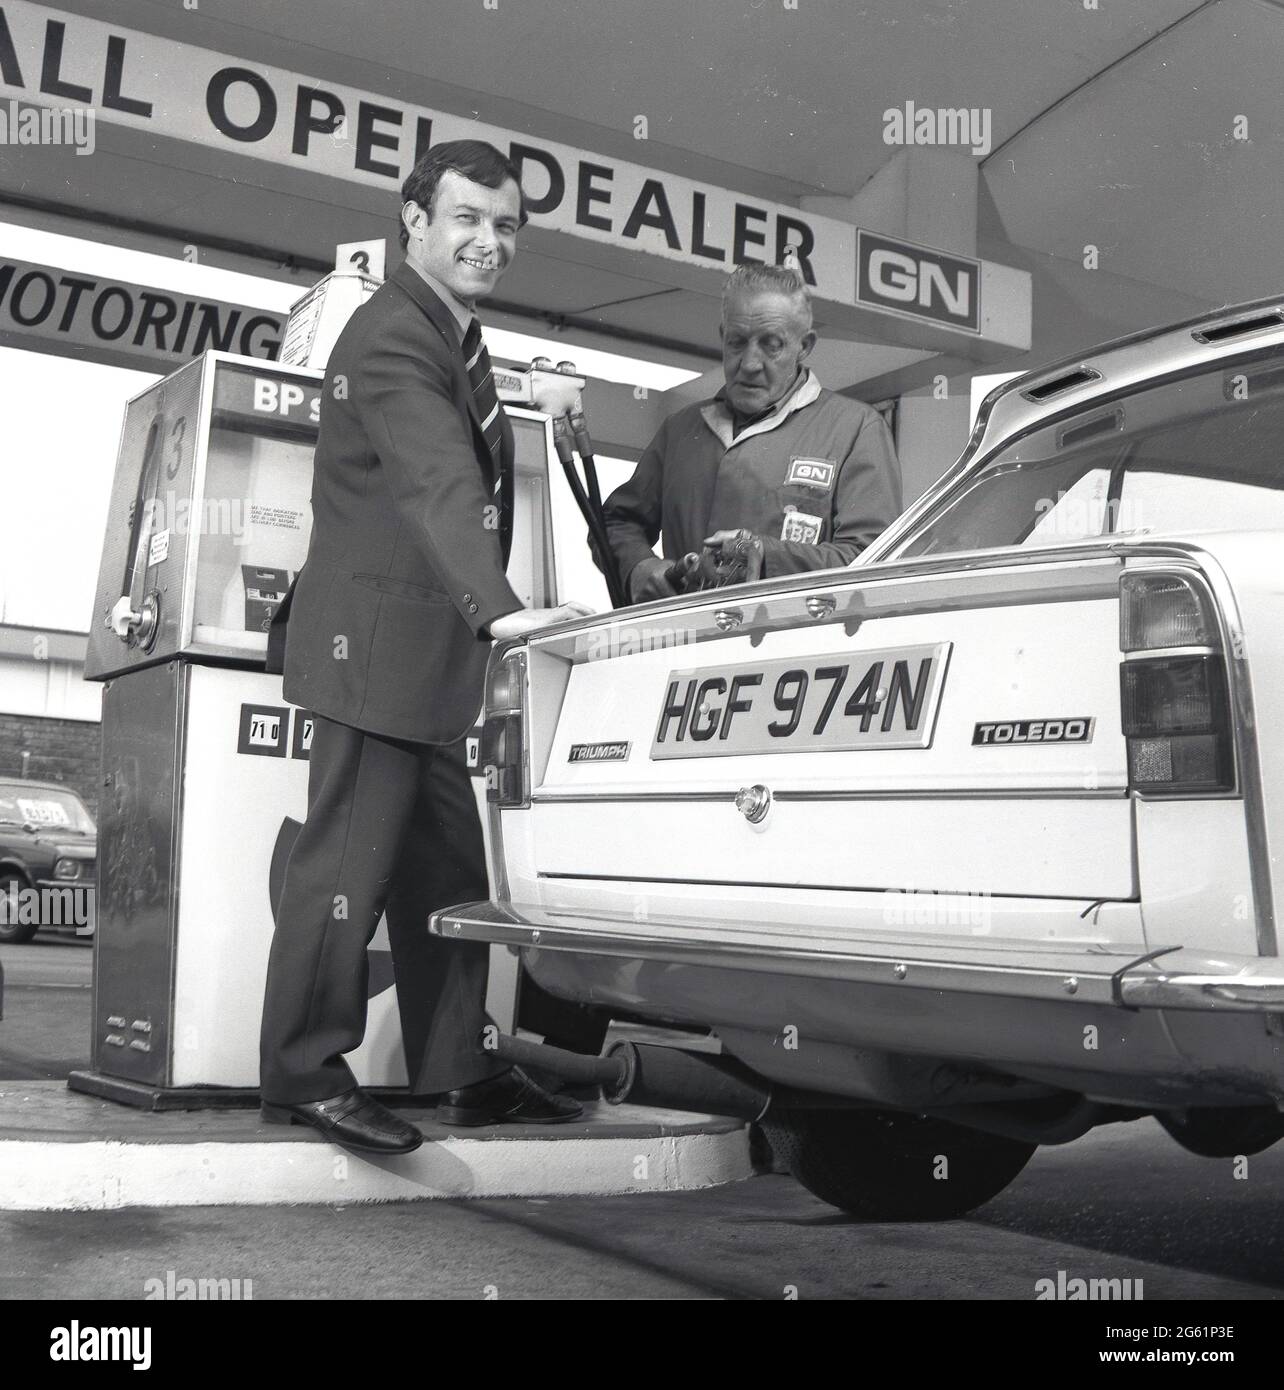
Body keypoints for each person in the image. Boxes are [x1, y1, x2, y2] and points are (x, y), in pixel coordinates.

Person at [260, 140, 592, 1154]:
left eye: (505, 226)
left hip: (422, 660)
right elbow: (440, 482)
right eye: (467, 219)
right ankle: (302, 1071)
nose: (488, 242)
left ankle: (463, 1070)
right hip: (376, 657)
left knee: (448, 871)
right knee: (346, 867)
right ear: (414, 220)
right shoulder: (396, 336)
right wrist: (500, 610)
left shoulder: (455, 336)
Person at [602, 263, 902, 602]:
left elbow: (872, 560)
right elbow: (616, 522)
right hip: (686, 642)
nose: (749, 363)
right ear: (722, 336)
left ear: (804, 346)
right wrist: (639, 566)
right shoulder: (682, 430)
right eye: (737, 342)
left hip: (792, 646)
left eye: (771, 344)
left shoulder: (855, 429)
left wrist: (764, 556)